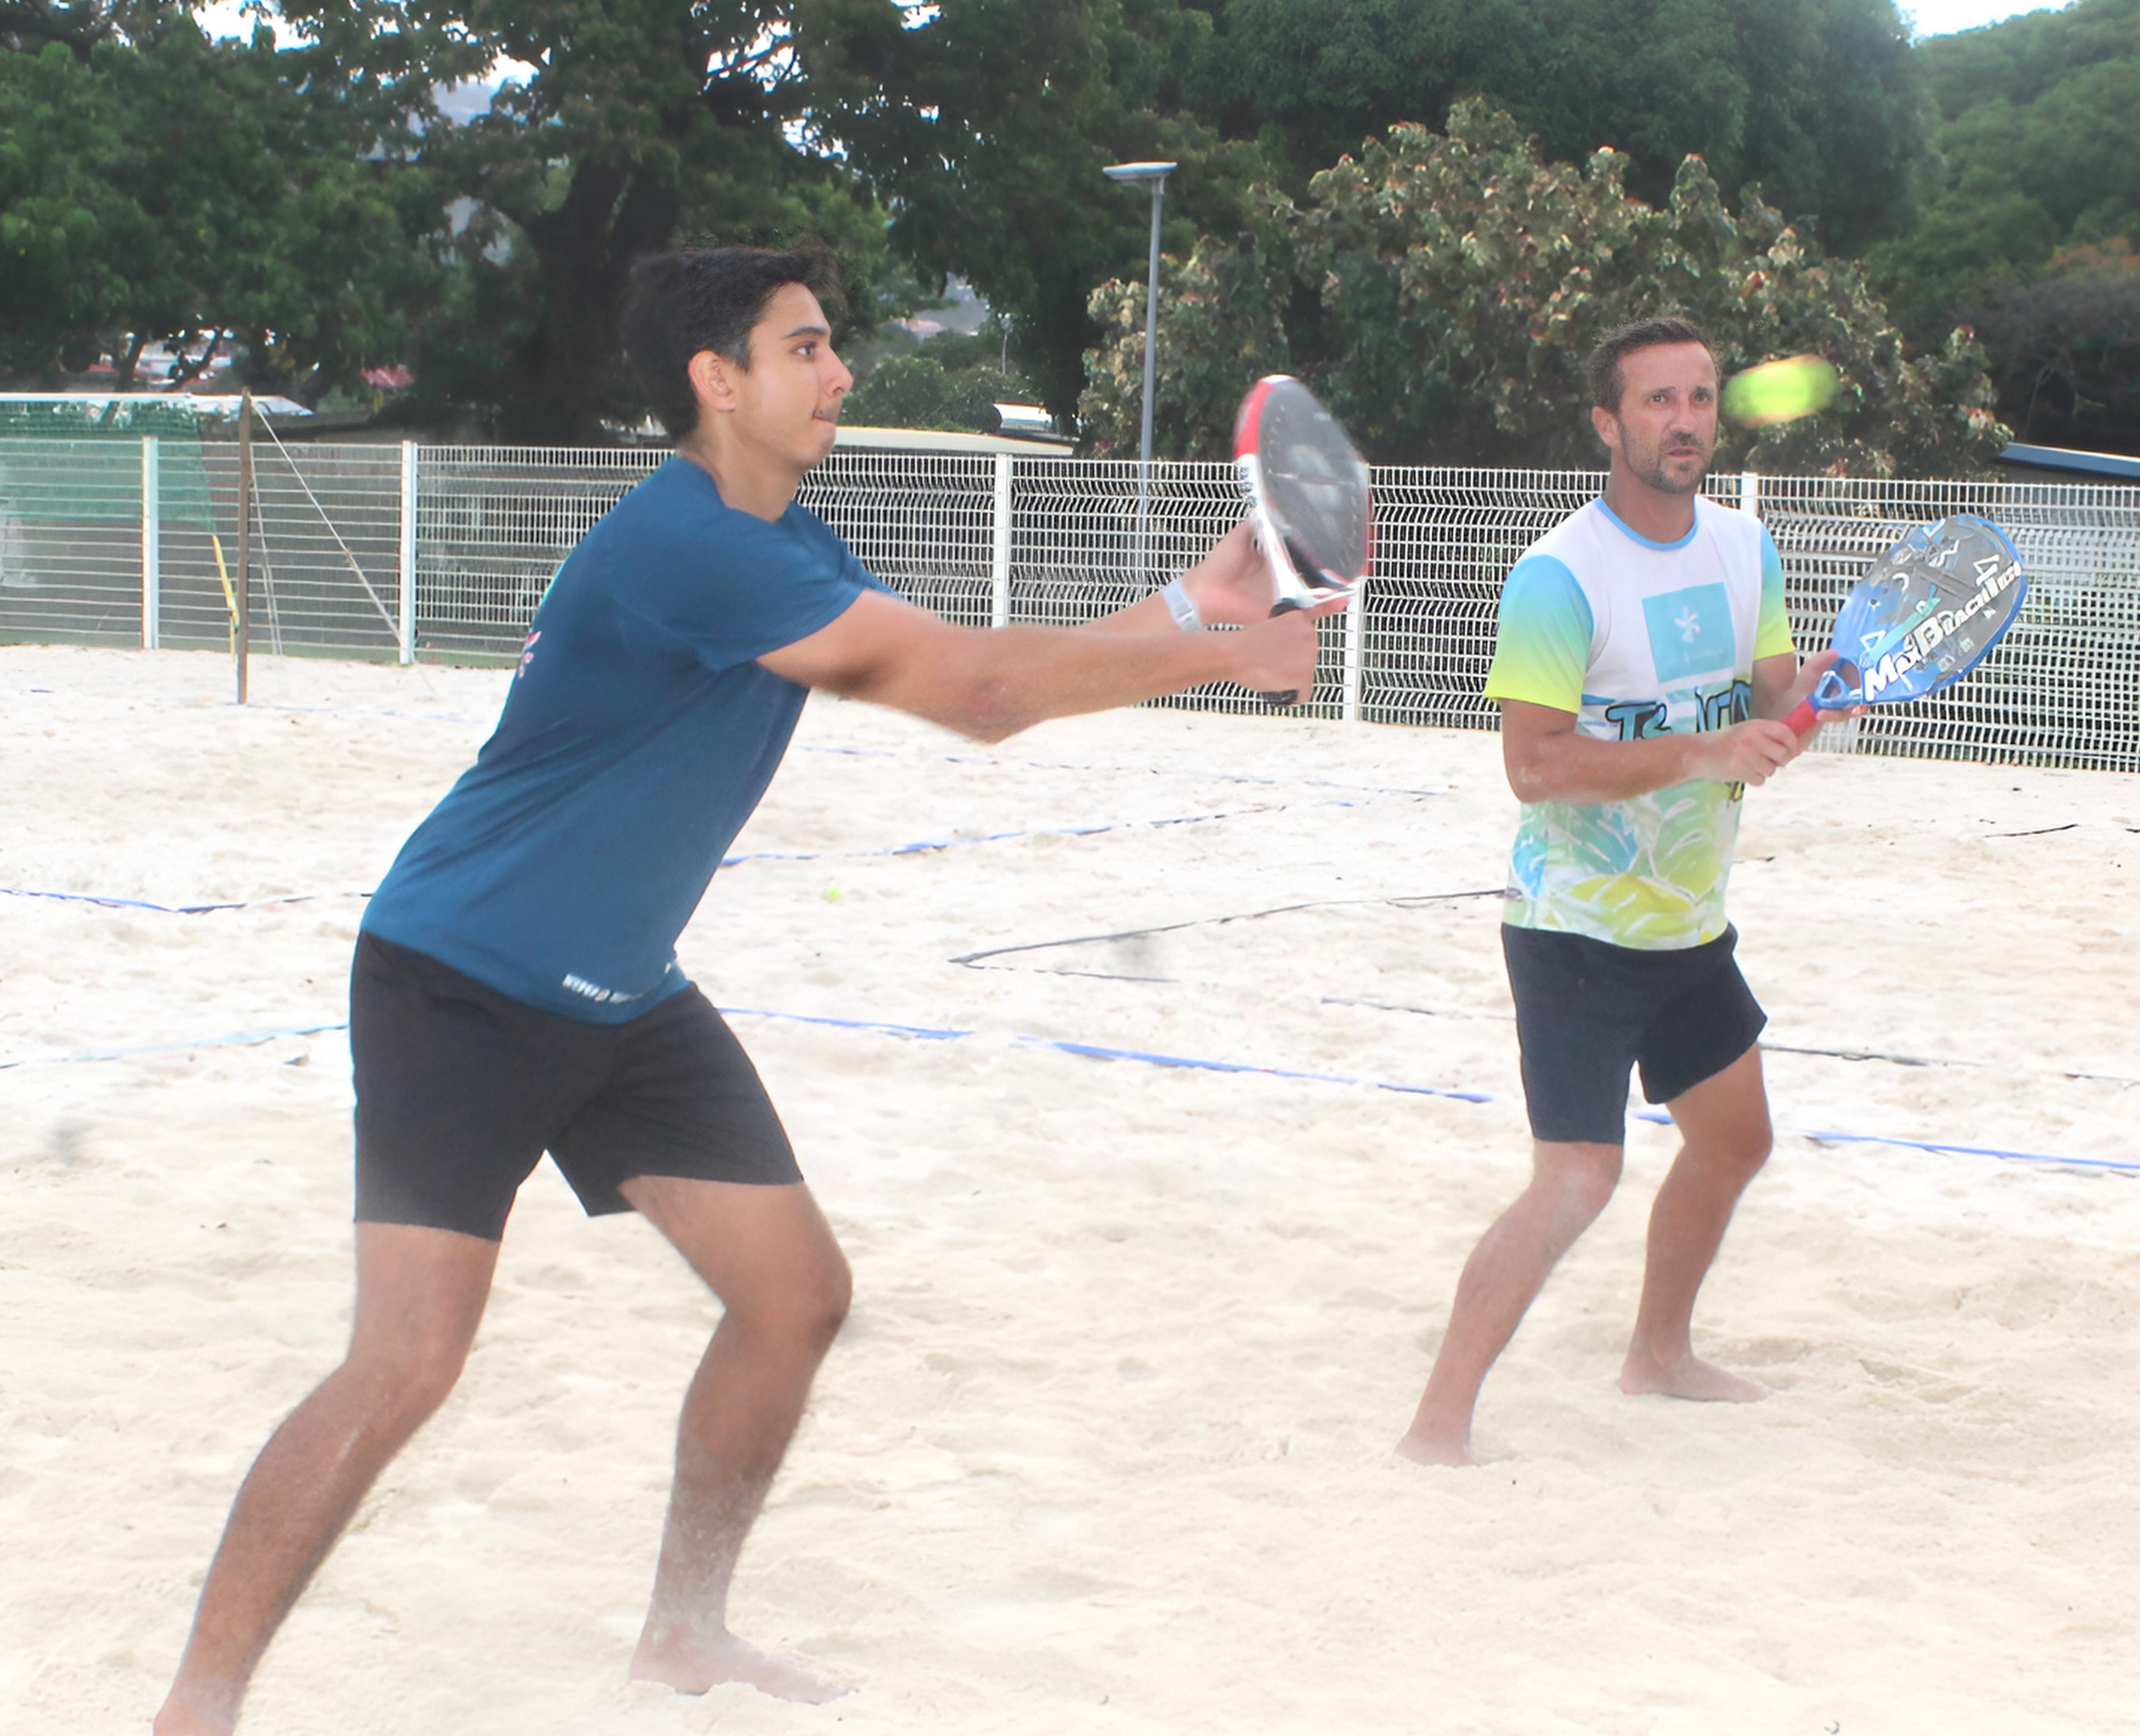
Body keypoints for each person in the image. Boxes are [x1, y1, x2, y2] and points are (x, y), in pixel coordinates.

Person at [154, 242, 1323, 1734]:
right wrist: (1224, 654)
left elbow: (973, 663)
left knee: (793, 1299)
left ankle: (685, 1630)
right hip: (463, 980)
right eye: (807, 347)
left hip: (619, 996)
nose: (841, 372)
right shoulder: (687, 546)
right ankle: (197, 1707)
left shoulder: (785, 540)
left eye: (833, 345)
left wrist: (1204, 602)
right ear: (718, 381)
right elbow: (979, 699)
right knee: (405, 1366)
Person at [1396, 317, 1846, 1468]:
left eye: (1699, 397)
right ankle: (1434, 1430)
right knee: (1576, 1181)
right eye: (1656, 401)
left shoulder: (1745, 549)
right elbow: (1533, 766)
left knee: (1733, 1142)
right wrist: (1703, 752)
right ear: (1607, 423)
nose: (1683, 420)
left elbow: (1769, 702)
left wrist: (1823, 692)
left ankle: (1656, 1357)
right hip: (1576, 930)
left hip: (1688, 924)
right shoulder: (1559, 576)